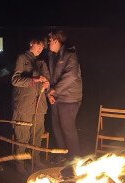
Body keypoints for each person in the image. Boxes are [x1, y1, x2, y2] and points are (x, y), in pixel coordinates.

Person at [11, 37, 50, 174]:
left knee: (37, 135)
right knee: (22, 135)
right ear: (31, 43)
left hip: (39, 105)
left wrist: (46, 84)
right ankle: (19, 163)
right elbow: (15, 80)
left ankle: (35, 160)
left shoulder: (41, 62)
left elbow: (47, 80)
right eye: (38, 45)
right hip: (24, 104)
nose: (40, 48)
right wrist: (33, 80)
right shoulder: (22, 58)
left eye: (42, 46)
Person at [46, 30, 83, 162]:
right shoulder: (52, 56)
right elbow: (50, 77)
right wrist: (49, 93)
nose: (48, 42)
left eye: (49, 40)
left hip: (70, 98)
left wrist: (54, 90)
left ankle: (75, 157)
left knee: (68, 128)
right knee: (56, 126)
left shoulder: (70, 55)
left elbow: (71, 76)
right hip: (56, 98)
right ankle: (63, 154)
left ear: (56, 41)